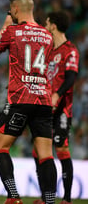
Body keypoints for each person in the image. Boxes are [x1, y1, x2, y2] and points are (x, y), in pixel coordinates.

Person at [0, 0, 57, 204]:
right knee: (45, 154)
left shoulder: (13, 31)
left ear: (15, 9)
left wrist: (5, 25)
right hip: (43, 100)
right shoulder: (47, 35)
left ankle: (13, 196)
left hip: (20, 99)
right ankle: (50, 200)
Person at [32, 11, 79, 204]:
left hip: (61, 109)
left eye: (47, 22)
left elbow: (71, 77)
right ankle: (45, 196)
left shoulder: (71, 50)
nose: (45, 25)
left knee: (61, 149)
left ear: (53, 25)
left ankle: (67, 199)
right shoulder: (49, 50)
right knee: (38, 151)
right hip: (43, 108)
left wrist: (57, 94)